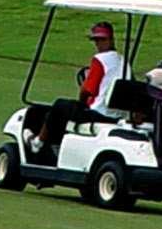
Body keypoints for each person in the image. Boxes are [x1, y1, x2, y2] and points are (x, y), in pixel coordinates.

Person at [25, 20, 131, 158]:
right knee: (66, 109)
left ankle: (38, 143)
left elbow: (87, 90)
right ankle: (56, 145)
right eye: (96, 40)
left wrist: (82, 103)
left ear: (111, 39)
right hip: (115, 116)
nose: (98, 44)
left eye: (102, 39)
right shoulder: (123, 62)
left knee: (60, 105)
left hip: (99, 113)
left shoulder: (100, 60)